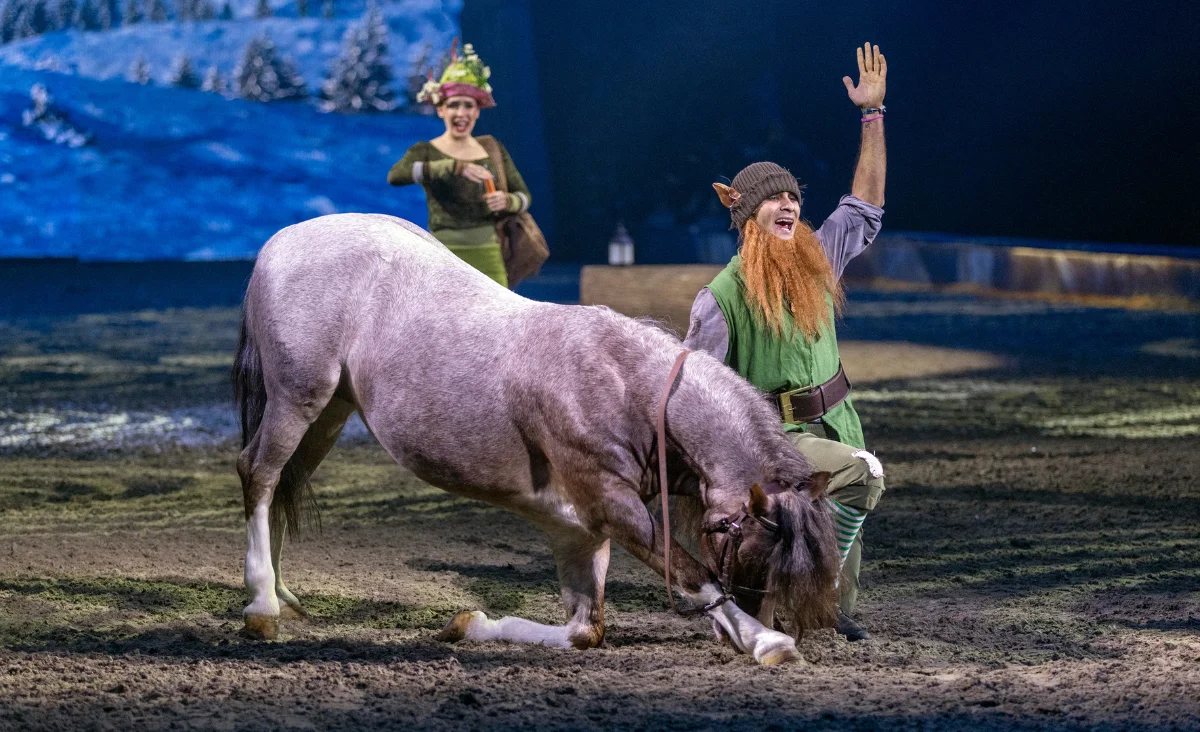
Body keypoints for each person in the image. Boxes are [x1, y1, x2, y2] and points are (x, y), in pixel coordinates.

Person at [683, 42, 888, 641]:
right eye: (775, 197)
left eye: (794, 196)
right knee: (864, 475)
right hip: (775, 441)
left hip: (838, 422)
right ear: (747, 215)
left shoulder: (820, 258)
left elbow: (866, 206)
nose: (790, 203)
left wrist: (871, 116)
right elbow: (699, 393)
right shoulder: (722, 297)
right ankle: (809, 595)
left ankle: (817, 606)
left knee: (843, 524)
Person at [387, 41, 531, 288]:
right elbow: (397, 176)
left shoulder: (491, 148)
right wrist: (454, 167)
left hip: (488, 251)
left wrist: (507, 201)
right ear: (441, 110)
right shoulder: (425, 150)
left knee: (496, 319)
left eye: (469, 105)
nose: (461, 112)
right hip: (443, 253)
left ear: (477, 112)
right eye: (454, 105)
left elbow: (524, 196)